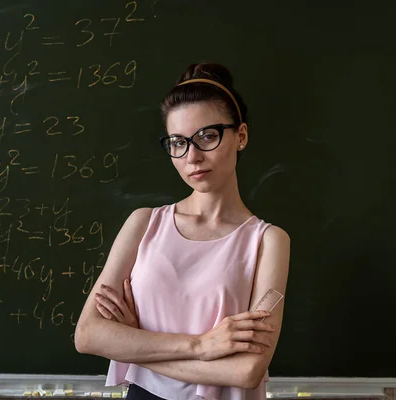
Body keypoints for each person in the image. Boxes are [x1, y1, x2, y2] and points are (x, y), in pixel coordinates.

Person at [74, 63, 290, 400]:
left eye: (207, 136)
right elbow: (88, 335)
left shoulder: (268, 241)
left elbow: (247, 371)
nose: (192, 157)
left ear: (241, 136)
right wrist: (202, 345)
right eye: (178, 142)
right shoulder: (143, 224)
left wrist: (136, 349)